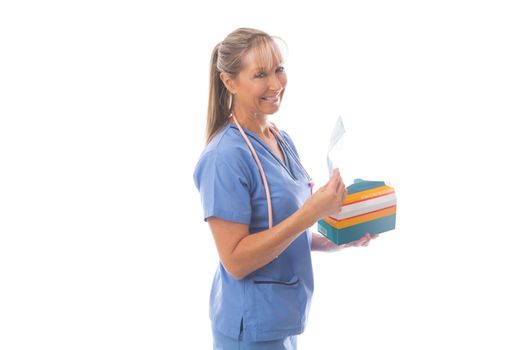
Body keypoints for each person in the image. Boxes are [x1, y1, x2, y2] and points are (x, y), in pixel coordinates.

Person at [193, 28, 378, 350]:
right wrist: (310, 214)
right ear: (229, 82)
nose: (276, 85)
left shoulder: (280, 138)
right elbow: (236, 261)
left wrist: (334, 239)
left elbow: (282, 231)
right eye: (260, 74)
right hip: (250, 327)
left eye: (279, 69)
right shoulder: (224, 157)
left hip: (284, 318)